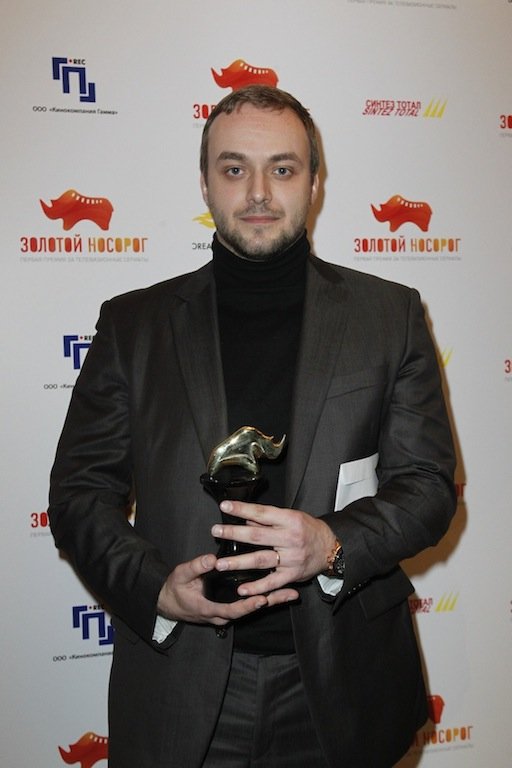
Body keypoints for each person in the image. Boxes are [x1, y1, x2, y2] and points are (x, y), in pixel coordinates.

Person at [49, 85, 456, 768]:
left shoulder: (390, 317)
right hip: (182, 680)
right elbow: (78, 495)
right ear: (205, 183)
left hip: (342, 682)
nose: (259, 192)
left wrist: (332, 543)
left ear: (314, 182)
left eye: (283, 169)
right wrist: (155, 588)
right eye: (235, 168)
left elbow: (428, 487)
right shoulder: (133, 326)